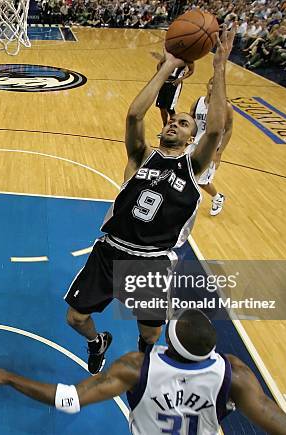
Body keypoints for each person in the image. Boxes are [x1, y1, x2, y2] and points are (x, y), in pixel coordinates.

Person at [63, 29, 235, 375]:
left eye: (183, 123)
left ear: (192, 137)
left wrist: (219, 69)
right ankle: (98, 343)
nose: (174, 123)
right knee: (75, 317)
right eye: (172, 120)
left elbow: (216, 129)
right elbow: (133, 115)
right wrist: (167, 66)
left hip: (151, 262)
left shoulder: (193, 165)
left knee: (151, 332)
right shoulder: (142, 157)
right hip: (110, 252)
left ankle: (144, 359)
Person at [0, 309, 286, 435]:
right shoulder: (234, 373)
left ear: (169, 341)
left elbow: (68, 399)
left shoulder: (137, 367)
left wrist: (9, 377)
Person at [188, 77, 234, 216]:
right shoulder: (198, 102)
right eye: (211, 83)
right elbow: (191, 120)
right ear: (207, 85)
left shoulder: (225, 106)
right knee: (187, 173)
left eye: (217, 85)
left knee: (202, 181)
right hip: (194, 144)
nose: (213, 87)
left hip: (211, 148)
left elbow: (229, 129)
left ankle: (217, 198)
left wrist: (219, 153)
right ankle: (192, 200)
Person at [151, 50, 195, 126]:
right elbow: (159, 64)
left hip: (174, 84)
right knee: (161, 107)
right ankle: (165, 127)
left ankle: (174, 127)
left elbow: (191, 71)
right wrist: (161, 74)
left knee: (170, 108)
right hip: (164, 83)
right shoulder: (169, 55)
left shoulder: (187, 57)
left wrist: (180, 79)